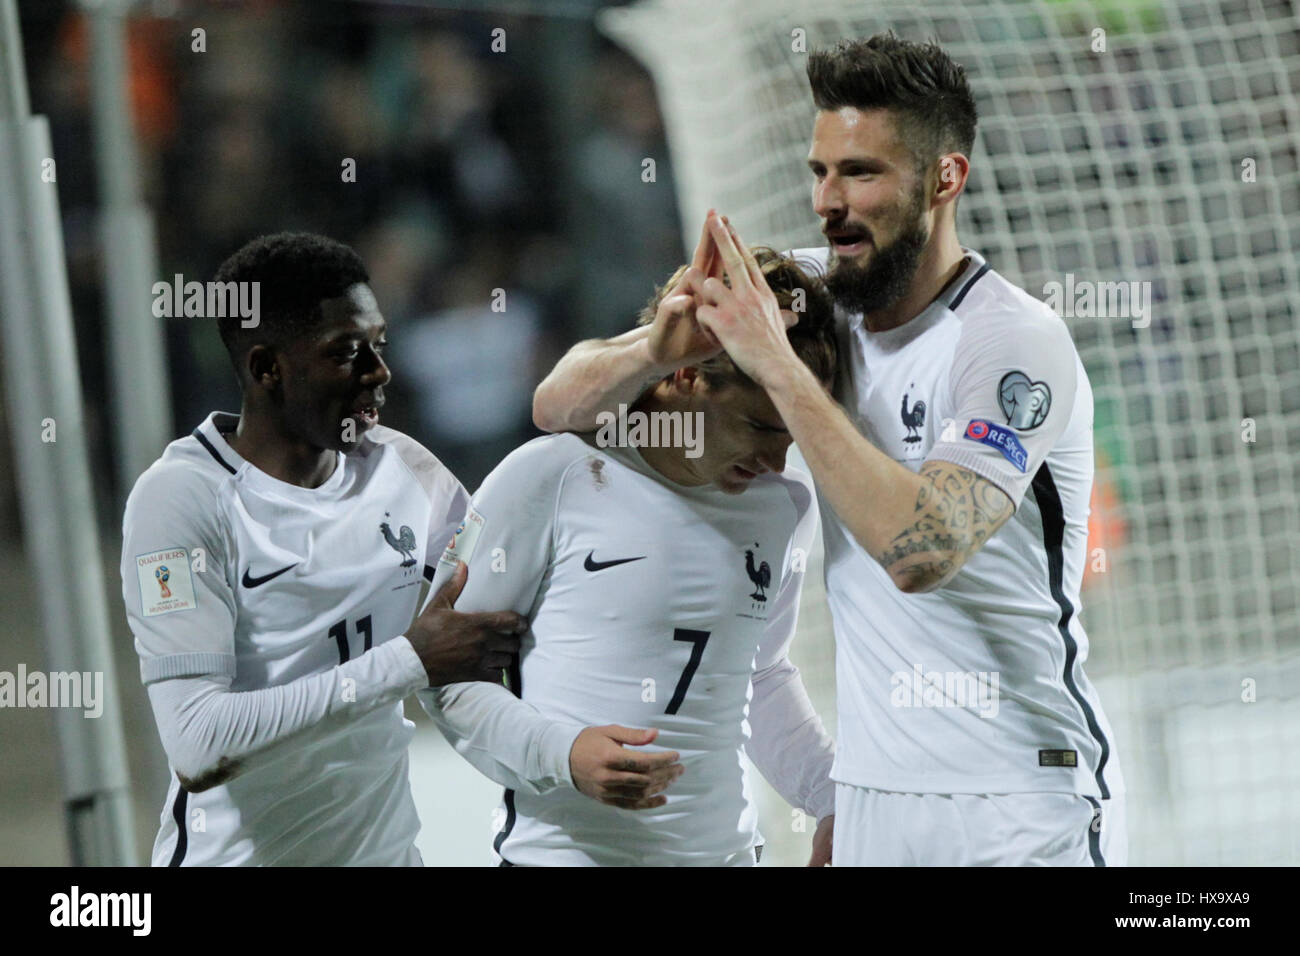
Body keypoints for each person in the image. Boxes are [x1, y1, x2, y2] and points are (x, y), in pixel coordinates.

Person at [533, 35, 1126, 866]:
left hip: (1019, 800)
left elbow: (925, 550)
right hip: (875, 803)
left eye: (862, 173)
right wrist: (651, 353)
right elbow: (557, 405)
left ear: (944, 179)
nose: (828, 201)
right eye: (820, 171)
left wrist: (776, 366)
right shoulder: (814, 299)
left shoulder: (1010, 341)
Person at [420, 243, 839, 866]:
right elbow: (441, 675)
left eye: (794, 436)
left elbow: (760, 675)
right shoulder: (552, 475)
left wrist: (829, 798)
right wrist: (560, 753)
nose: (780, 461)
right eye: (761, 427)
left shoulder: (785, 508)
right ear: (688, 373)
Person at [120, 232, 528, 865]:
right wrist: (407, 661)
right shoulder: (180, 501)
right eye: (347, 353)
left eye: (380, 346)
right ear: (266, 369)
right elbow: (198, 744)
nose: (380, 372)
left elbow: (510, 577)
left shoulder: (405, 470)